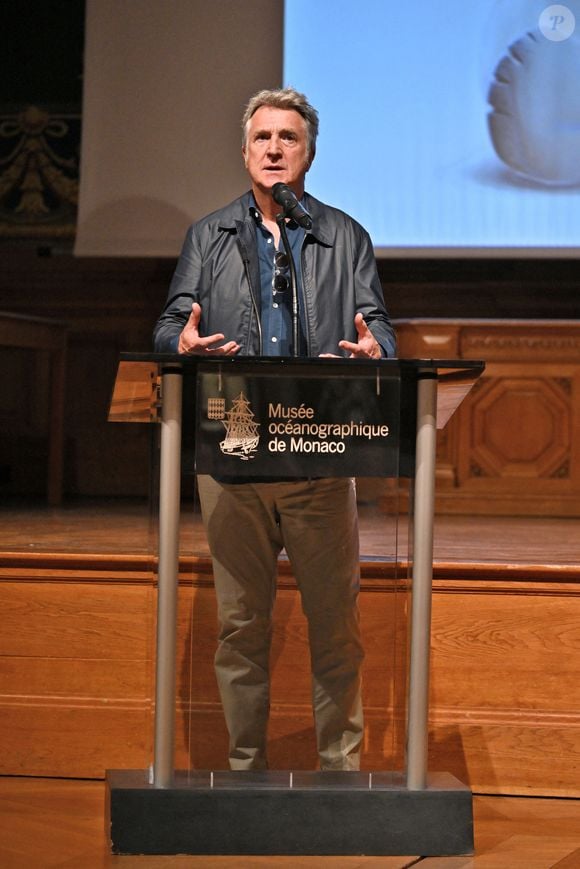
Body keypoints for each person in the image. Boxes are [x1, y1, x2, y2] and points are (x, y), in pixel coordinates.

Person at [153, 87, 396, 771]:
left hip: (318, 460)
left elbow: (378, 328)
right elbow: (171, 327)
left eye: (288, 137)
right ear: (243, 152)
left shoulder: (344, 236)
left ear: (309, 152)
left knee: (336, 631)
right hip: (233, 457)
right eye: (262, 137)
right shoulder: (209, 235)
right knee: (240, 629)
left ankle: (342, 770)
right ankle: (243, 771)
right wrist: (184, 346)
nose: (274, 149)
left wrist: (376, 347)